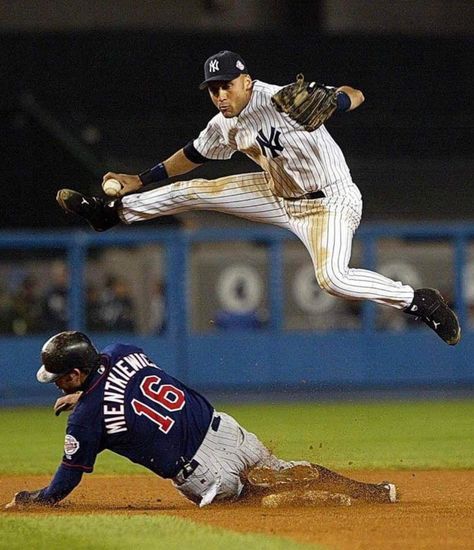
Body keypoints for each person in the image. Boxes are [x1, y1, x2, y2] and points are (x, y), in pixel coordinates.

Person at [56, 50, 460, 346]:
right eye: (212, 88)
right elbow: (193, 156)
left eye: (225, 86)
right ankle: (110, 212)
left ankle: (419, 301)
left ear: (246, 81)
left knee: (332, 278)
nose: (219, 95)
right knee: (194, 190)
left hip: (330, 202)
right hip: (276, 192)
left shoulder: (284, 99)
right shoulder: (223, 123)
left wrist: (335, 101)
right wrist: (138, 179)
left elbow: (355, 94)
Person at [6, 331, 396, 509]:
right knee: (283, 470)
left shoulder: (86, 421)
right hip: (227, 432)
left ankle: (293, 499)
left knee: (260, 500)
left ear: (75, 374)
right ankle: (372, 493)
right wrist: (85, 394)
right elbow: (124, 388)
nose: (56, 383)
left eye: (59, 378)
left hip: (203, 475)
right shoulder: (123, 350)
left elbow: (67, 479)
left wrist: (37, 499)